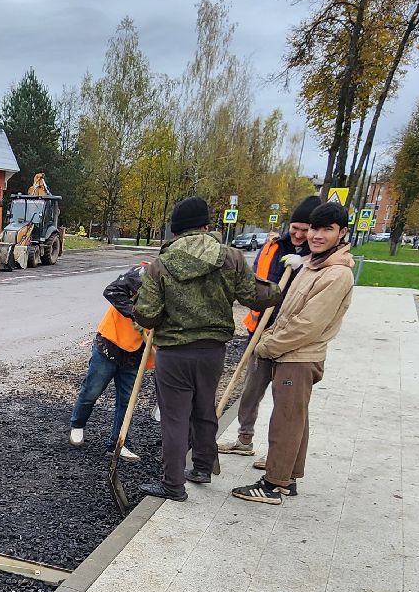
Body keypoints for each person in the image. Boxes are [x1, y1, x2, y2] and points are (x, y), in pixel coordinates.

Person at [132, 196, 282, 502]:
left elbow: (147, 315)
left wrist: (152, 309)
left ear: (175, 231)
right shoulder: (231, 257)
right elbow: (257, 297)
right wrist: (279, 286)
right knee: (204, 409)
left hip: (174, 353)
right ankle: (201, 467)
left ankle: (173, 484)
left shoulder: (161, 265)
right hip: (212, 351)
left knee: (175, 418)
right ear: (206, 226)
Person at [232, 202, 355, 505]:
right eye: (315, 228)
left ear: (342, 233)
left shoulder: (336, 274)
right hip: (291, 353)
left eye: (327, 229)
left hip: (299, 357)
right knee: (296, 417)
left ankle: (273, 484)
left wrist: (268, 345)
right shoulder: (313, 265)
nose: (317, 235)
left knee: (286, 420)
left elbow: (307, 325)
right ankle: (289, 477)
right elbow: (287, 312)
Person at [217, 195, 322, 456]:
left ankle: (280, 455)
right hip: (261, 331)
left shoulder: (320, 256)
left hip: (292, 339)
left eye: (305, 230)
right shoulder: (273, 247)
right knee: (251, 389)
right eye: (295, 228)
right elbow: (253, 280)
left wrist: (305, 263)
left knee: (286, 399)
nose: (298, 235)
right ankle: (244, 439)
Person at [70, 263, 149, 461]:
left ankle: (117, 444)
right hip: (110, 343)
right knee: (92, 390)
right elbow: (112, 291)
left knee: (127, 401)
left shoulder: (176, 289)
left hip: (135, 352)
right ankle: (77, 424)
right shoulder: (143, 274)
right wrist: (137, 315)